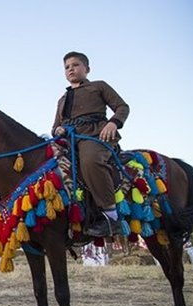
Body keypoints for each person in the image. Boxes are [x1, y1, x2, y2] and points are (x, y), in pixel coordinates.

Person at [52, 51, 130, 237]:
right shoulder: (62, 99)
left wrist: (113, 123)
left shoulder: (99, 86)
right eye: (67, 67)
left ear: (87, 69)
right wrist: (58, 131)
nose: (71, 69)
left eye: (75, 65)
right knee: (43, 162)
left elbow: (122, 107)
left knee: (90, 160)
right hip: (68, 140)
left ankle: (111, 217)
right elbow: (55, 126)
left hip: (95, 134)